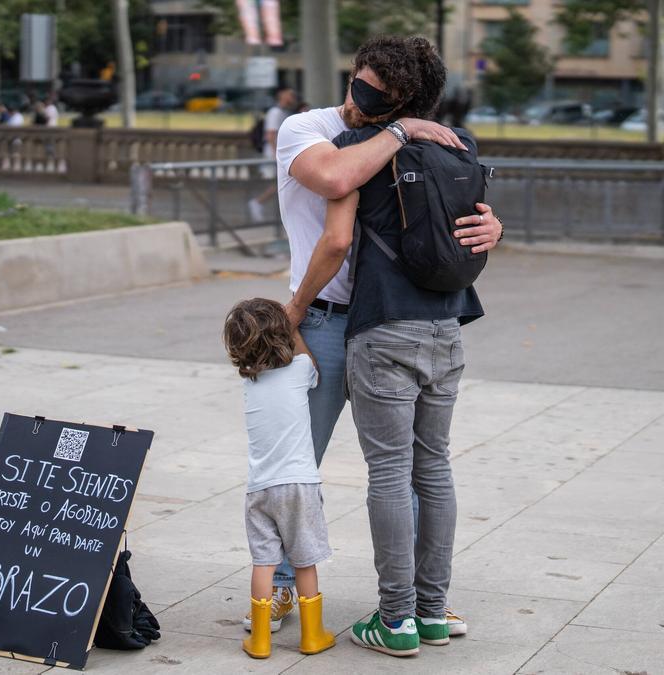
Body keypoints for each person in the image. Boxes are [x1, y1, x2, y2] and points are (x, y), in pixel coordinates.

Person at [239, 34, 502, 638]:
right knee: (295, 463)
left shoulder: (408, 137)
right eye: (363, 86)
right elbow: (333, 179)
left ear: (411, 100)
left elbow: (452, 219)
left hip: (389, 321)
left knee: (404, 471)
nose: (364, 102)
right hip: (325, 320)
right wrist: (401, 131)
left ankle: (409, 603)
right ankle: (283, 586)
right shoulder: (309, 129)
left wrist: (491, 228)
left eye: (385, 99)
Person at [223, 298, 335, 660]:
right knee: (303, 561)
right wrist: (296, 323)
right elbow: (313, 365)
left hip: (259, 489)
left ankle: (259, 639)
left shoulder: (250, 384)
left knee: (263, 563)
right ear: (282, 335)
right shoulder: (298, 370)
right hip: (299, 486)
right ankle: (312, 635)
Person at [248, 86, 298, 223]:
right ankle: (258, 202)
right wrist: (278, 155)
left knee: (283, 183)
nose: (292, 97)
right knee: (283, 183)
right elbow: (271, 135)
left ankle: (259, 203)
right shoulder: (275, 112)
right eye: (290, 94)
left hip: (278, 153)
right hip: (275, 153)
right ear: (281, 94)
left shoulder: (282, 112)